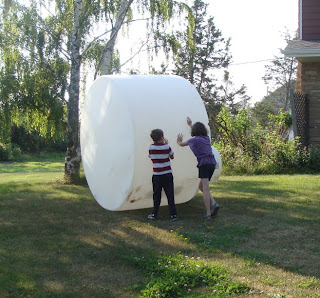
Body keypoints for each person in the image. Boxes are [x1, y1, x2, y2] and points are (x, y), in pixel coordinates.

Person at [177, 117, 219, 220]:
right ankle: (214, 203)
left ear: (194, 131)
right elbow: (198, 131)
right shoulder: (206, 138)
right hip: (212, 163)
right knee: (201, 186)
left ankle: (208, 214)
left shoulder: (194, 140)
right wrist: (191, 125)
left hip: (204, 164)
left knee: (205, 188)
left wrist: (178, 141)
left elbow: (182, 144)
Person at [148, 129, 178, 221]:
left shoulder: (151, 148)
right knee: (170, 194)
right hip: (167, 174)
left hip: (156, 175)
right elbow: (172, 156)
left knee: (156, 194)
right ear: (162, 137)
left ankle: (154, 213)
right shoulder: (167, 147)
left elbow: (151, 157)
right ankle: (173, 214)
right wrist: (166, 144)